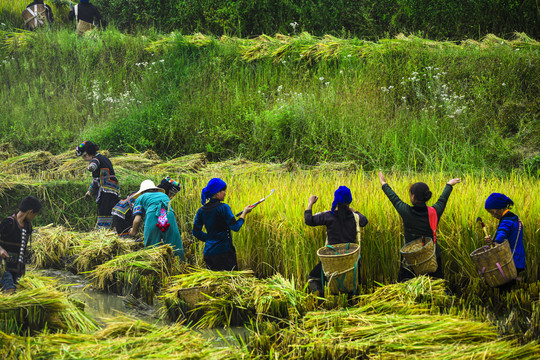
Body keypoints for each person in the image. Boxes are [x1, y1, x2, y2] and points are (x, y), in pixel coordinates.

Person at [378, 172, 461, 282]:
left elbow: (394, 198)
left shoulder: (406, 211)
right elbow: (443, 199)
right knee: (435, 285)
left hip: (411, 259)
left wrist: (384, 183)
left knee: (406, 285)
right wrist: (449, 185)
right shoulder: (435, 212)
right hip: (431, 257)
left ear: (412, 196)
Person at [304, 186, 368, 295]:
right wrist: (354, 211)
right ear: (350, 201)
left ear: (336, 200)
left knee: (313, 276)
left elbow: (309, 220)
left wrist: (310, 203)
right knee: (354, 274)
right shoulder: (355, 217)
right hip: (350, 260)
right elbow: (364, 221)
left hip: (332, 261)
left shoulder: (328, 216)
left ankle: (322, 297)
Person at [192, 178, 253, 271]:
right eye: (223, 190)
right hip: (224, 254)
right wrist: (244, 213)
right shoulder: (223, 207)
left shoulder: (201, 211)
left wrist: (210, 239)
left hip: (208, 254)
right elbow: (236, 227)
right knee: (230, 281)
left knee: (214, 283)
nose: (225, 193)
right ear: (216, 193)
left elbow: (196, 232)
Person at [129, 180, 184, 259]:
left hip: (152, 215)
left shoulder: (140, 198)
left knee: (152, 247)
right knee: (174, 243)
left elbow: (137, 220)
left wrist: (133, 231)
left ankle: (154, 267)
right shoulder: (163, 195)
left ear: (142, 192)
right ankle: (180, 263)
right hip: (169, 215)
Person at [0, 196, 42, 294]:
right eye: (34, 214)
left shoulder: (27, 226)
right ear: (30, 212)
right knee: (9, 290)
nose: (34, 217)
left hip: (18, 268)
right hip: (3, 266)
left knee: (18, 292)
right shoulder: (9, 222)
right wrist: (0, 249)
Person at [76, 141, 120, 229]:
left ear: (87, 154)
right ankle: (113, 230)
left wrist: (91, 167)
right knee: (113, 212)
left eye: (84, 156)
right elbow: (96, 180)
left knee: (104, 211)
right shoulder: (105, 159)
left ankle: (103, 231)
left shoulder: (96, 159)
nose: (84, 158)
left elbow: (94, 164)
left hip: (106, 191)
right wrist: (89, 191)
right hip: (114, 191)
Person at [483, 193, 526, 277]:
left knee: (505, 288)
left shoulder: (506, 221)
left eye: (492, 212)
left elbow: (501, 236)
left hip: (509, 263)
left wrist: (496, 242)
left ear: (499, 208)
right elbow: (509, 237)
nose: (492, 215)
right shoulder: (514, 217)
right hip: (518, 260)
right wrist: (492, 241)